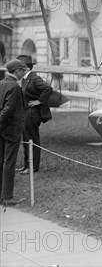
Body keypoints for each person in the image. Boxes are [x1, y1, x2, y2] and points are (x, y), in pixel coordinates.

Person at [16, 54, 52, 175]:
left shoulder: (34, 78)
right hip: (26, 113)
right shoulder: (26, 78)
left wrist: (39, 101)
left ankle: (33, 167)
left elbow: (48, 89)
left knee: (32, 139)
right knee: (26, 139)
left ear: (25, 68)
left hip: (32, 113)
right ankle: (27, 165)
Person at [0, 59, 27, 205]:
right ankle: (8, 198)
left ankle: (2, 195)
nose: (24, 73)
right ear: (17, 71)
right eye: (23, 70)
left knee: (2, 162)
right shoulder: (14, 87)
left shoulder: (1, 83)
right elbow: (7, 110)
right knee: (9, 163)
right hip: (11, 131)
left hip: (3, 130)